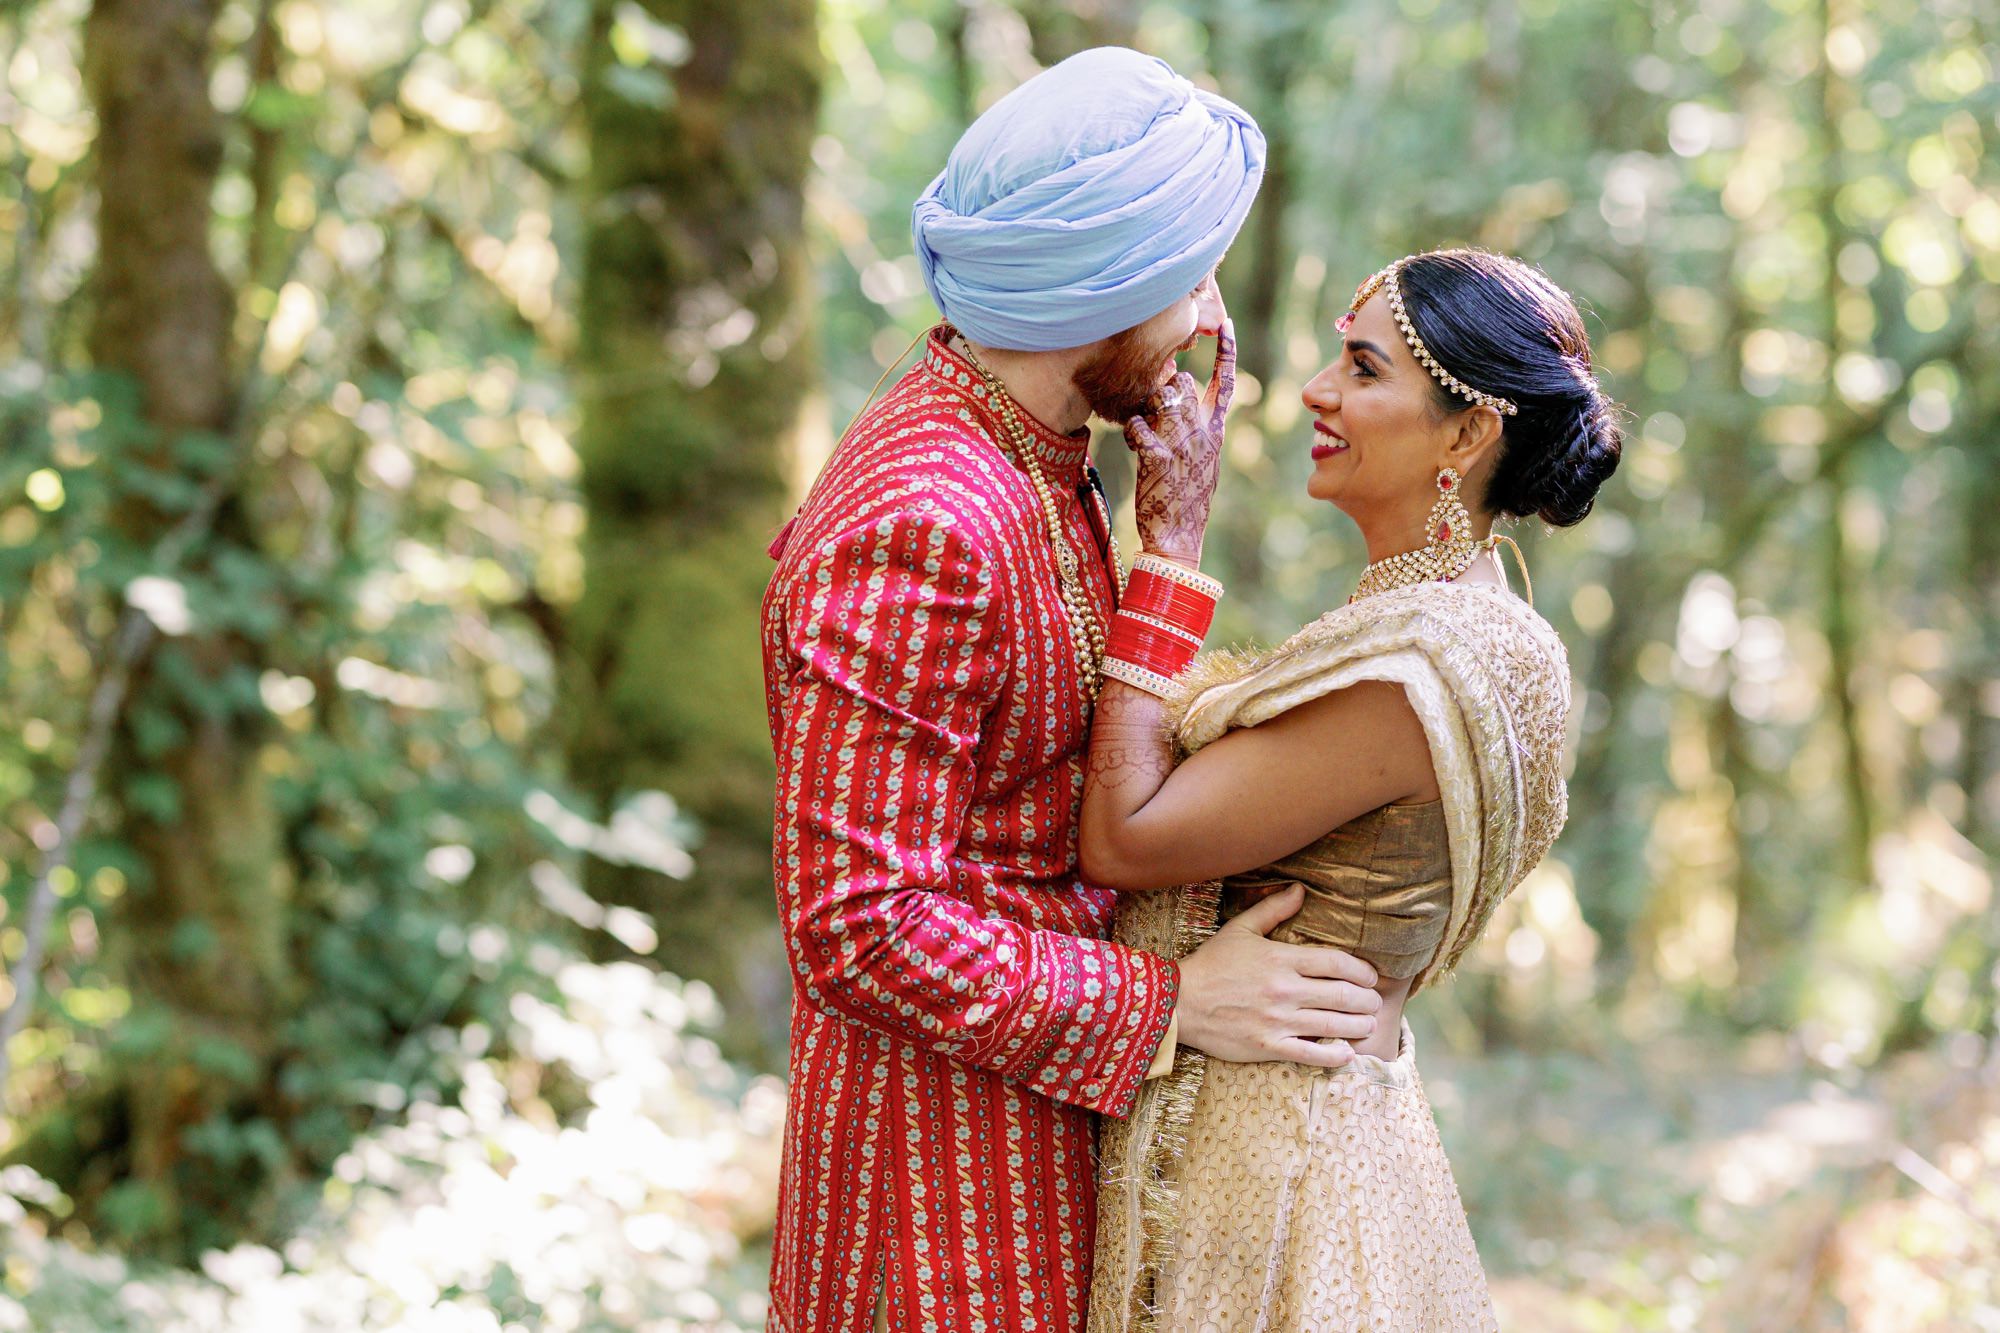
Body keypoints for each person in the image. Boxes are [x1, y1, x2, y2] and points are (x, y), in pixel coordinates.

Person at [759, 48, 1384, 1333]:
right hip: (933, 1191)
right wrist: (1170, 1002)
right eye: (1187, 275)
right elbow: (855, 919)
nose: (1210, 316)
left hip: (1043, 1137)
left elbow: (1048, 778)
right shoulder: (923, 514)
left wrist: (1171, 551)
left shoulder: (1030, 458)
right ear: (1107, 288)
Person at [1082, 248, 1624, 1332]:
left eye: (1363, 369)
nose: (1318, 393)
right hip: (1309, 1120)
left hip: (1269, 1161)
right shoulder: (1465, 625)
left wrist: (1169, 553)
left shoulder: (1418, 661)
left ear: (1466, 433)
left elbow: (1126, 837)